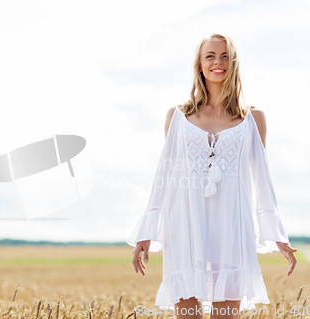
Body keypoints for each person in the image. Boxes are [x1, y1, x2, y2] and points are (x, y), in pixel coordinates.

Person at [127, 33, 298, 319]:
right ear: (199, 64)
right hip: (186, 228)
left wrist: (276, 235)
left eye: (224, 56)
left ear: (234, 63)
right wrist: (147, 232)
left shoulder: (253, 119)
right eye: (210, 56)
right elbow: (165, 175)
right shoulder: (178, 117)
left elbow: (262, 180)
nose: (218, 62)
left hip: (232, 229)